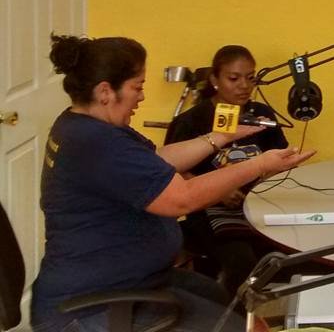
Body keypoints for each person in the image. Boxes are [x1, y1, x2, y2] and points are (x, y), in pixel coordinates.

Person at [31, 34, 314, 332]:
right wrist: (259, 164)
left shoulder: (84, 125)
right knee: (236, 326)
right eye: (137, 86)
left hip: (135, 281)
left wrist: (219, 137)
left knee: (233, 306)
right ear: (105, 91)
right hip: (94, 305)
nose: (142, 96)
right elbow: (182, 198)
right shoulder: (97, 142)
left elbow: (158, 160)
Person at [163, 45, 287, 295]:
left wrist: (271, 174)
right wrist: (218, 192)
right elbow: (171, 171)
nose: (244, 86)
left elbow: (279, 157)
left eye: (250, 78)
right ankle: (234, 312)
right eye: (234, 78)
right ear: (215, 80)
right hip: (208, 210)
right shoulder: (191, 121)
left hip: (257, 205)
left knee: (286, 252)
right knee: (242, 262)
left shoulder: (261, 115)